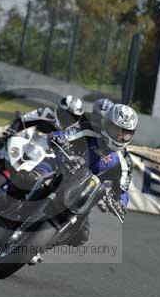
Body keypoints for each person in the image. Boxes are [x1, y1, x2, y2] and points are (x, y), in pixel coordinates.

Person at [46, 103, 139, 247]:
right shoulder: (88, 129)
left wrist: (121, 203)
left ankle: (43, 245)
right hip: (61, 171)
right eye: (117, 129)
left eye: (125, 132)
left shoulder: (125, 161)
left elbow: (123, 189)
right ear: (107, 124)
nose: (120, 136)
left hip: (83, 194)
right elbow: (65, 135)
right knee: (29, 177)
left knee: (81, 236)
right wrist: (59, 139)